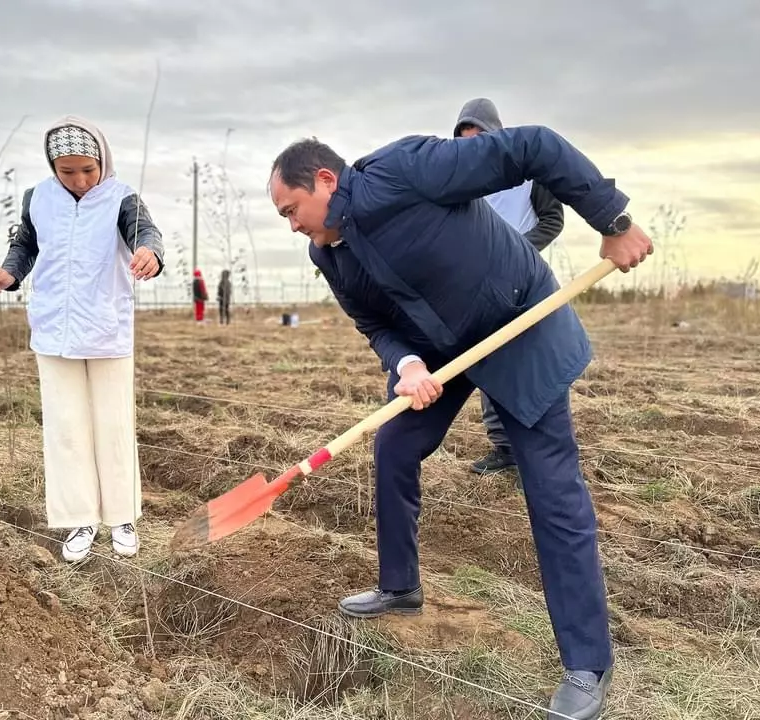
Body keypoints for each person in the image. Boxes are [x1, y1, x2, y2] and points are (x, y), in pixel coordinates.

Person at [267, 128, 652, 720]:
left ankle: (587, 663)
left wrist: (612, 219)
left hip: (519, 324)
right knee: (395, 445)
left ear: (324, 181)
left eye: (292, 210)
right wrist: (408, 364)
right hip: (440, 352)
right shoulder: (328, 252)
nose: (291, 225)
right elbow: (375, 324)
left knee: (550, 489)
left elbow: (533, 149)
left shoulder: (405, 171)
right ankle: (401, 587)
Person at [0, 115, 165, 563]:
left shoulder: (122, 198)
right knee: (66, 430)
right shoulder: (37, 198)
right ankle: (80, 518)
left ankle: (121, 516)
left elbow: (147, 234)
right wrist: (8, 275)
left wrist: (150, 254)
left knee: (113, 424)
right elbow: (25, 245)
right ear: (52, 166)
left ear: (103, 160)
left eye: (88, 169)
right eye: (68, 171)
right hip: (53, 330)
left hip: (105, 329)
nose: (80, 180)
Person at [452, 99, 565, 476]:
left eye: (479, 137)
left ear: (495, 135)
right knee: (490, 362)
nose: (473, 146)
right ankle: (505, 449)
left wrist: (519, 250)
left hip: (524, 282)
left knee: (529, 363)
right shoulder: (462, 183)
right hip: (481, 288)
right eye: (465, 139)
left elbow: (553, 219)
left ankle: (538, 450)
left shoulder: (528, 174)